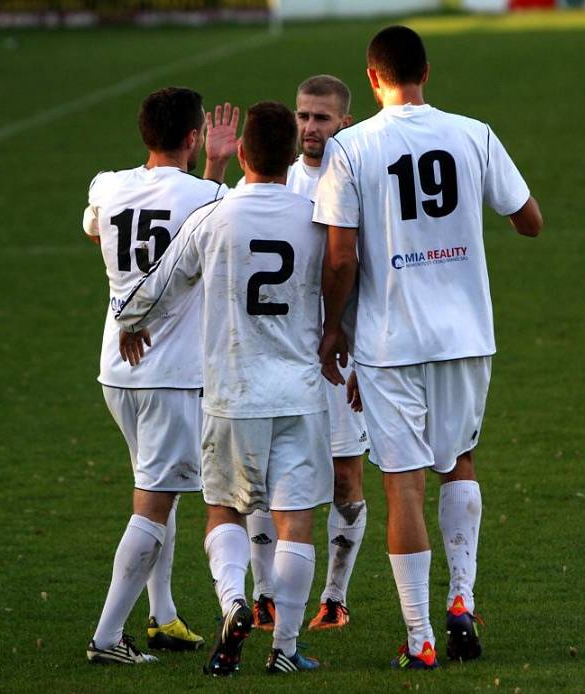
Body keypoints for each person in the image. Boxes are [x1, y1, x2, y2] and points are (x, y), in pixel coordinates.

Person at [314, 25, 543, 669]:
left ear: (371, 77)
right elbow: (530, 221)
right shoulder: (473, 133)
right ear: (427, 71)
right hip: (466, 332)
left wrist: (334, 327)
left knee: (404, 487)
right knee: (460, 463)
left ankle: (419, 640)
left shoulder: (351, 146)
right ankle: (462, 601)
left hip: (391, 340)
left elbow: (339, 256)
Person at [115, 101, 331, 676]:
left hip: (232, 395)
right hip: (299, 395)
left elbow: (156, 287)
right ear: (292, 156)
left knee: (223, 512)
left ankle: (235, 604)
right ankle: (284, 649)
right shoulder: (314, 216)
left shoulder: (213, 218)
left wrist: (128, 319)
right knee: (296, 522)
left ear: (240, 155)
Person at [82, 87, 239, 665]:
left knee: (157, 492)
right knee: (155, 500)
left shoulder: (107, 185)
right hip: (171, 375)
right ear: (194, 137)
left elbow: (98, 233)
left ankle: (163, 615)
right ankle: (106, 639)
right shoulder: (213, 197)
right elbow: (206, 230)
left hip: (116, 370)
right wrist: (218, 168)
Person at [238, 75, 370, 633]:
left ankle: (334, 597)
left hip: (340, 354)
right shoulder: (277, 180)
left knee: (345, 476)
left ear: (344, 121)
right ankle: (264, 594)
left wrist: (358, 347)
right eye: (302, 116)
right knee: (267, 477)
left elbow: (365, 268)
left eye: (321, 117)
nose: (310, 127)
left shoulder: (359, 178)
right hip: (284, 355)